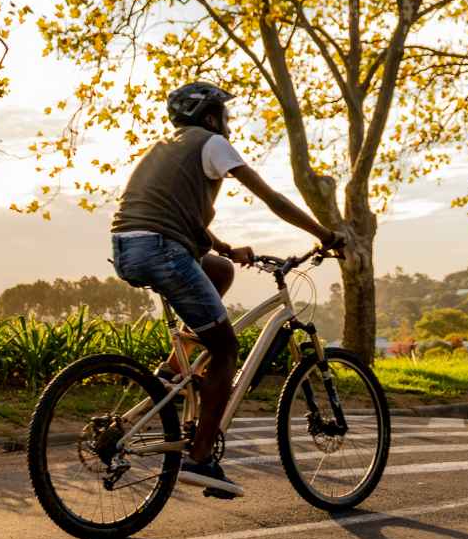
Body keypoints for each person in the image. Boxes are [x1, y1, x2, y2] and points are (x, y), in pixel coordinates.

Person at [109, 81, 339, 499]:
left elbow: (173, 211)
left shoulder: (163, 148)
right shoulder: (212, 142)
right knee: (227, 350)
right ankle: (200, 459)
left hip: (129, 247)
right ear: (211, 116)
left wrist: (225, 248)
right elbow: (270, 198)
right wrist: (323, 233)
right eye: (224, 114)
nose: (227, 123)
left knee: (218, 270)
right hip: (162, 248)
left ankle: (174, 370)